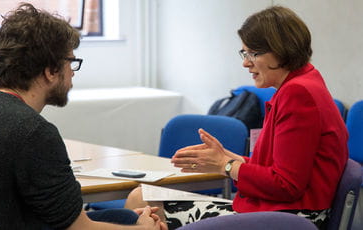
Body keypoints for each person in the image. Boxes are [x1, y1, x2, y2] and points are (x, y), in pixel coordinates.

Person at [125, 5, 348, 230]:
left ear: (281, 50)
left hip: (289, 217)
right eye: (244, 53)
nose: (245, 62)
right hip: (282, 210)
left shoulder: (298, 94)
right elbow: (282, 168)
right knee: (141, 198)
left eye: (253, 53)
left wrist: (226, 165)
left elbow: (286, 185)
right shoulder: (304, 82)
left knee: (142, 204)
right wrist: (226, 158)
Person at [0, 3, 166, 230]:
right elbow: (78, 228)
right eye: (70, 62)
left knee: (123, 217)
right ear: (51, 71)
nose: (72, 72)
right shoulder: (33, 132)